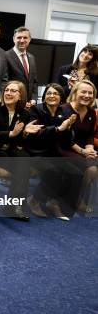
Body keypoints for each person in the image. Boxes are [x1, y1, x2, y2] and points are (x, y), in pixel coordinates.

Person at [0, 81, 42, 221]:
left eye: (13, 91)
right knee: (23, 165)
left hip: (7, 151)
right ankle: (14, 205)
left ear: (20, 96)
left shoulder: (24, 114)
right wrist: (11, 134)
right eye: (7, 90)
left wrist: (24, 133)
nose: (8, 93)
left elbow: (19, 143)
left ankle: (14, 203)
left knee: (24, 158)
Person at [26, 84, 80, 220]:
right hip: (35, 152)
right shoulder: (35, 110)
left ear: (61, 97)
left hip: (53, 152)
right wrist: (57, 129)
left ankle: (53, 201)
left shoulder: (65, 112)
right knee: (54, 172)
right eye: (49, 93)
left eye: (55, 93)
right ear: (44, 97)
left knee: (76, 173)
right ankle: (34, 200)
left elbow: (66, 142)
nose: (52, 96)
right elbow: (34, 136)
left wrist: (69, 128)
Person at [59, 80, 98, 214]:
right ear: (75, 93)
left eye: (90, 93)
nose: (87, 95)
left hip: (82, 149)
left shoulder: (91, 112)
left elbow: (90, 134)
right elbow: (64, 138)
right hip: (63, 147)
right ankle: (69, 200)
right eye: (83, 92)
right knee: (84, 165)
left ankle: (79, 198)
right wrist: (83, 151)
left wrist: (90, 148)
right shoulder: (64, 109)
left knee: (93, 169)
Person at [5, 27, 38, 105]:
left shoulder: (32, 57)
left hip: (30, 104)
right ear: (14, 39)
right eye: (19, 37)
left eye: (25, 38)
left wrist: (34, 99)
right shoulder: (5, 56)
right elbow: (4, 82)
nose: (22, 40)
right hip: (13, 103)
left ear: (29, 39)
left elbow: (34, 81)